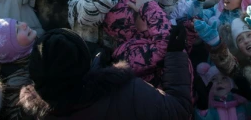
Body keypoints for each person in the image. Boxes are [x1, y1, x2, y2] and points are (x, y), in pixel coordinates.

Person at [18, 28, 193, 119]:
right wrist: (176, 54)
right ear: (85, 61)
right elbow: (178, 110)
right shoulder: (127, 92)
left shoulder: (32, 113)